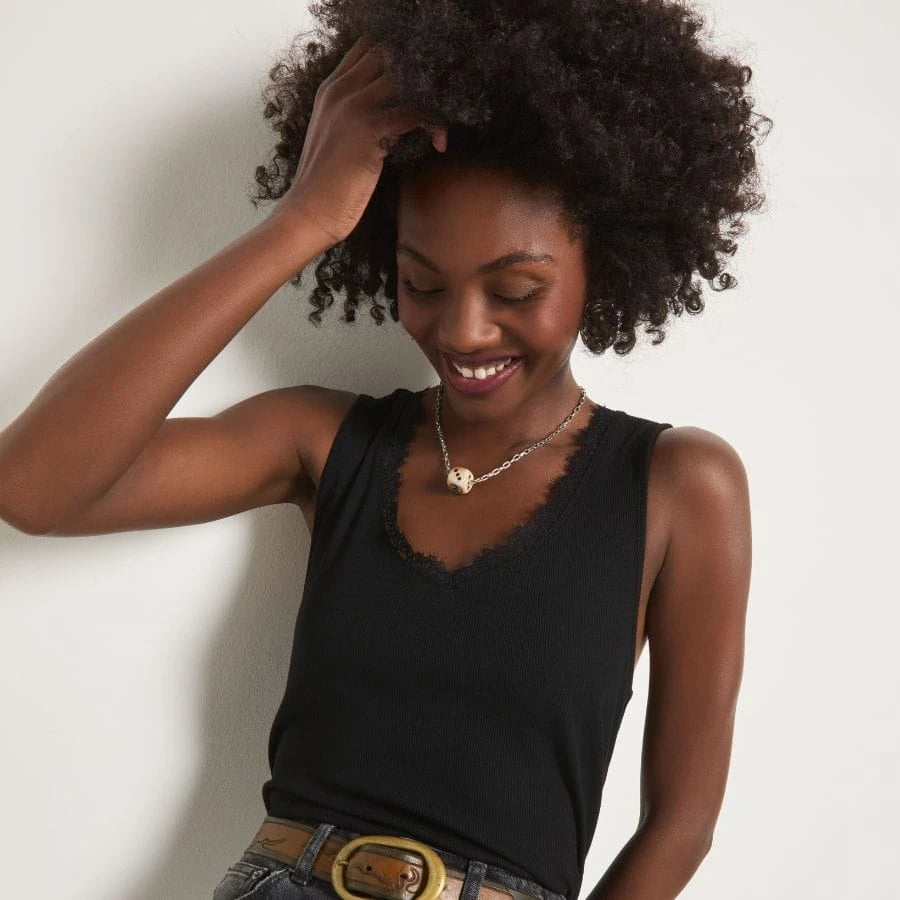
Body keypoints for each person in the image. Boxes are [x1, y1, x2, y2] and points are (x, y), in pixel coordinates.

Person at [0, 1, 768, 897]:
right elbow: (35, 486)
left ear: (610, 261)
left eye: (516, 289)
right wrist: (301, 221)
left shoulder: (679, 485)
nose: (464, 330)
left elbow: (680, 827)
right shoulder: (324, 442)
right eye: (421, 283)